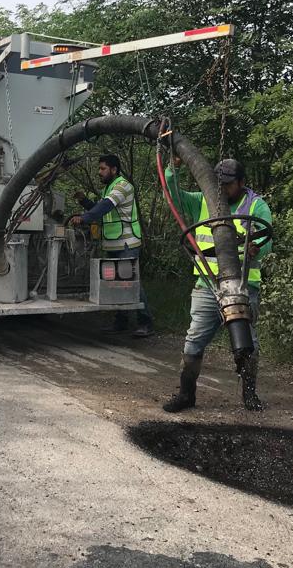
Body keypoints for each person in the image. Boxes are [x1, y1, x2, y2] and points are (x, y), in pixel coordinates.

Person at [162, 157, 272, 412]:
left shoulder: (256, 206)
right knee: (193, 341)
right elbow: (173, 194)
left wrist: (258, 247)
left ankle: (249, 394)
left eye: (229, 185)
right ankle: (186, 394)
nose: (222, 190)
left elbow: (267, 241)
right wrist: (173, 169)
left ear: (242, 182)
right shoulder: (203, 200)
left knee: (247, 345)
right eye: (219, 184)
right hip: (207, 285)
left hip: (242, 287)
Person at [70, 154, 155, 337]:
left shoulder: (122, 186)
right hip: (113, 243)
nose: (99, 172)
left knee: (131, 283)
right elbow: (102, 210)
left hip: (126, 243)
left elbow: (105, 207)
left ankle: (145, 322)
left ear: (114, 169)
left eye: (102, 168)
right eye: (99, 168)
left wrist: (84, 218)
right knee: (116, 284)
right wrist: (84, 201)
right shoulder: (108, 188)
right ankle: (121, 322)